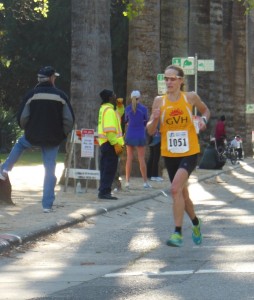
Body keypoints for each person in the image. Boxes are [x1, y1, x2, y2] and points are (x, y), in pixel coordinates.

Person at [147, 64, 210, 247]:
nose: (168, 82)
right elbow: (150, 130)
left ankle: (177, 233)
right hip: (170, 153)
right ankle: (196, 223)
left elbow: (205, 110)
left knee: (174, 189)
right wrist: (155, 119)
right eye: (165, 79)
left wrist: (202, 120)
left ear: (181, 81)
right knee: (183, 195)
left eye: (172, 79)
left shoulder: (190, 97)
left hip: (189, 152)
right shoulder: (159, 101)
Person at [0, 66, 75, 213]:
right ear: (52, 78)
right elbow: (69, 119)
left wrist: (27, 129)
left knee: (20, 145)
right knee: (49, 170)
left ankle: (4, 169)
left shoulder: (31, 94)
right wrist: (62, 134)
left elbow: (22, 117)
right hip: (53, 138)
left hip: (32, 134)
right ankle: (47, 205)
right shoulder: (61, 95)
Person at [97, 89, 124, 200]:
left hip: (105, 144)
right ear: (109, 98)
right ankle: (104, 192)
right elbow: (109, 130)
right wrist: (115, 144)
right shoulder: (109, 111)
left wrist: (120, 106)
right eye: (113, 95)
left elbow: (119, 115)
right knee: (109, 169)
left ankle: (103, 190)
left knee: (105, 168)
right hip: (110, 144)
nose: (115, 96)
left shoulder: (106, 109)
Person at [125, 90, 151, 189]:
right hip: (140, 135)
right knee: (141, 159)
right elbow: (145, 122)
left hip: (130, 134)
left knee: (129, 158)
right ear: (139, 98)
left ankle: (127, 182)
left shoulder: (127, 109)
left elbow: (126, 121)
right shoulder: (143, 109)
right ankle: (145, 182)